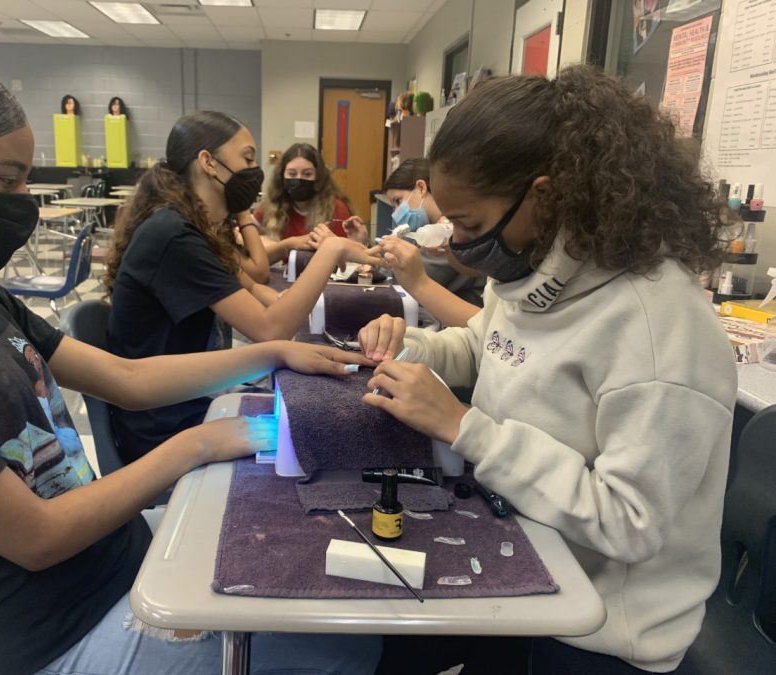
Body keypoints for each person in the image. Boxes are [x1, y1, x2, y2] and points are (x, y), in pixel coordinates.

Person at [0, 52, 381, 675]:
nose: (21, 200)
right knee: (339, 640)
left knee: (314, 545)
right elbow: (37, 537)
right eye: (6, 179)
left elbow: (128, 378)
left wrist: (275, 350)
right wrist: (195, 444)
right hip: (49, 639)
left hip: (113, 559)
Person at [359, 66, 737, 673]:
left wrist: (466, 428)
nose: (457, 243)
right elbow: (484, 348)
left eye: (472, 226)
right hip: (522, 564)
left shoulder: (658, 325)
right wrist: (410, 351)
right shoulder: (535, 272)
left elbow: (629, 522)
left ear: (545, 195)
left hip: (602, 635)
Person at [103, 112, 381, 461]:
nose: (254, 171)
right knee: (320, 440)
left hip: (189, 402)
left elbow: (257, 290)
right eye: (248, 158)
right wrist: (333, 249)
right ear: (208, 163)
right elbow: (271, 329)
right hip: (168, 426)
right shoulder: (173, 236)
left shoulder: (192, 228)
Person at [379, 158, 484, 324]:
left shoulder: (448, 234)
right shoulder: (433, 232)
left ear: (421, 188)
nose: (395, 213)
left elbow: (405, 279)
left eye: (398, 201)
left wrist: (373, 258)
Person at [254, 142, 368, 266]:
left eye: (307, 174)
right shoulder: (272, 205)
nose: (299, 179)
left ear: (318, 177)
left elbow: (348, 262)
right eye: (292, 174)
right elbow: (242, 237)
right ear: (282, 177)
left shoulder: (335, 209)